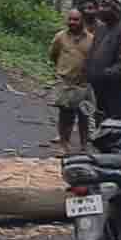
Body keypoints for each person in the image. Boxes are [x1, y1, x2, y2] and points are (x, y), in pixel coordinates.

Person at [85, 0, 121, 120]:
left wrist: (104, 74)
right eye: (101, 6)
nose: (101, 10)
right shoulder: (101, 28)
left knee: (115, 123)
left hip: (117, 90)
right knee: (100, 119)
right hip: (99, 88)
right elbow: (93, 52)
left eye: (106, 6)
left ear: (116, 10)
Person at [50, 9, 94, 154]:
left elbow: (95, 59)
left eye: (76, 20)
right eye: (70, 19)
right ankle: (64, 145)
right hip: (66, 83)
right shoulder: (60, 37)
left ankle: (84, 146)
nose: (72, 22)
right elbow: (53, 55)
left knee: (84, 116)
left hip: (84, 84)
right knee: (65, 116)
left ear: (82, 21)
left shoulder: (91, 39)